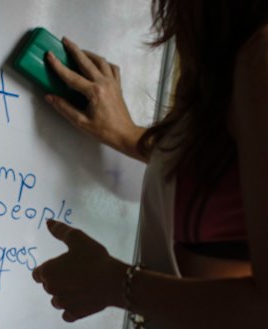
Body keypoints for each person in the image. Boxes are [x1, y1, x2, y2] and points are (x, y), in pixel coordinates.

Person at [31, 1, 268, 328]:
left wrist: (113, 283)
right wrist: (128, 135)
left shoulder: (261, 58)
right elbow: (225, 172)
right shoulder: (223, 43)